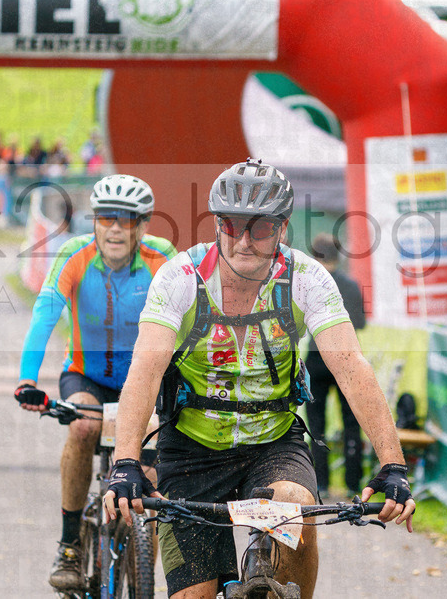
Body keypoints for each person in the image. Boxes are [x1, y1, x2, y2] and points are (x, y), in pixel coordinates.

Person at [102, 159, 416, 599]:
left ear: (282, 229)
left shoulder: (306, 278)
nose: (244, 241)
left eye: (261, 229)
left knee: (295, 504)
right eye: (231, 226)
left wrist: (393, 465)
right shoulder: (181, 278)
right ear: (217, 224)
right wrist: (126, 463)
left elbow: (351, 367)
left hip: (272, 444)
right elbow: (145, 370)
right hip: (191, 449)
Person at [14, 174, 176, 592]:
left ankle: (143, 577)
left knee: (151, 473)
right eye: (107, 219)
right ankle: (69, 543)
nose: (116, 228)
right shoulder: (75, 253)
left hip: (144, 382)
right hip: (86, 374)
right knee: (83, 427)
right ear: (96, 223)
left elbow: (189, 322)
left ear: (142, 225)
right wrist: (27, 380)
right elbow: (45, 312)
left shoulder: (163, 258)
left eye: (127, 220)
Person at [304, 232, 366, 500]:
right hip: (346, 358)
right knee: (351, 421)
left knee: (316, 424)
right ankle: (354, 483)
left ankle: (322, 483)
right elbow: (361, 324)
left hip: (316, 359)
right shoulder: (351, 285)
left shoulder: (309, 285)